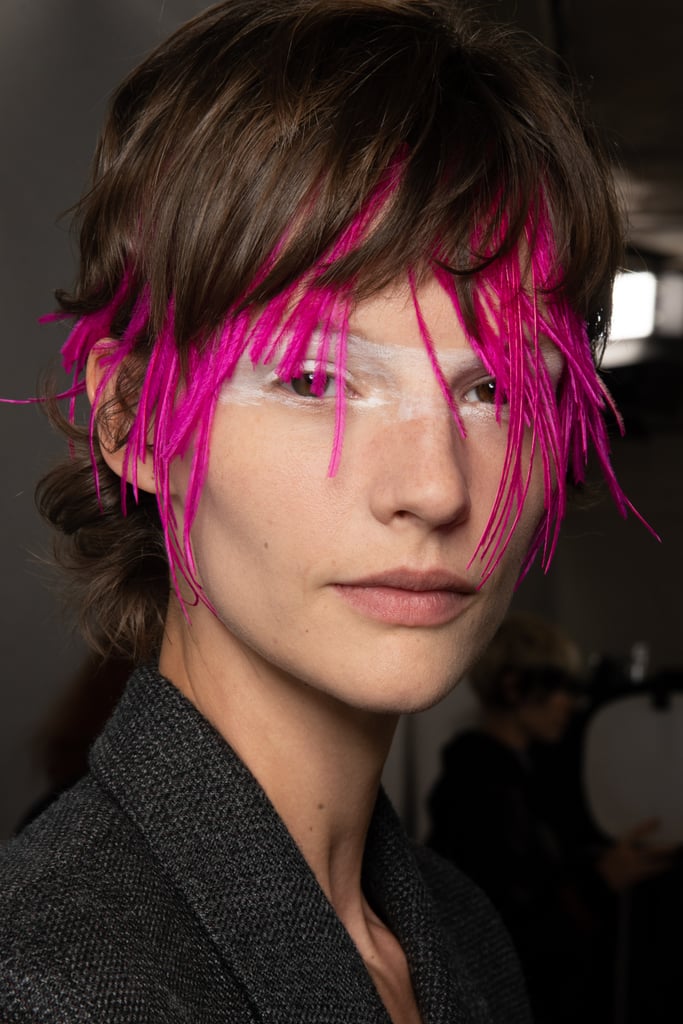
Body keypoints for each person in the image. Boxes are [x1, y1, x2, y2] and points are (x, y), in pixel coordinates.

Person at [0, 1, 639, 1020]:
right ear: (137, 421)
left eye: (495, 391)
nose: (433, 488)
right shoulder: (53, 981)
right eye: (313, 377)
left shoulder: (459, 933)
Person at [427, 612, 676, 1023]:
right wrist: (602, 881)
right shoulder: (483, 790)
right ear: (514, 687)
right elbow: (505, 935)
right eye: (560, 686)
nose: (571, 702)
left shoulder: (521, 773)